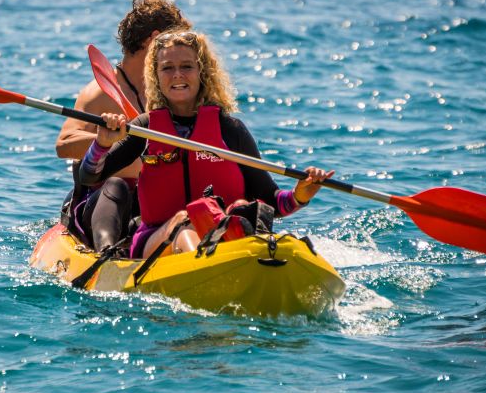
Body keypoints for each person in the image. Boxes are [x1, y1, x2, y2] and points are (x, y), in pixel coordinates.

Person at [79, 29, 334, 258]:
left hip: (222, 239)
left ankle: (245, 259)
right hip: (158, 240)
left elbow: (272, 201)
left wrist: (301, 194)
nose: (177, 75)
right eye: (167, 68)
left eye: (187, 66)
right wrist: (102, 144)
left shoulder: (230, 130)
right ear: (156, 76)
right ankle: (204, 264)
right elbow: (89, 177)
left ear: (202, 72)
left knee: (244, 210)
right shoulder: (145, 128)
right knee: (184, 222)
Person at [56, 0, 191, 252]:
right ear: (153, 40)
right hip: (100, 205)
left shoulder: (165, 95)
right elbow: (64, 145)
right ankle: (108, 254)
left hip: (145, 205)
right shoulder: (100, 93)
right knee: (115, 187)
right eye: (176, 42)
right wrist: (111, 139)